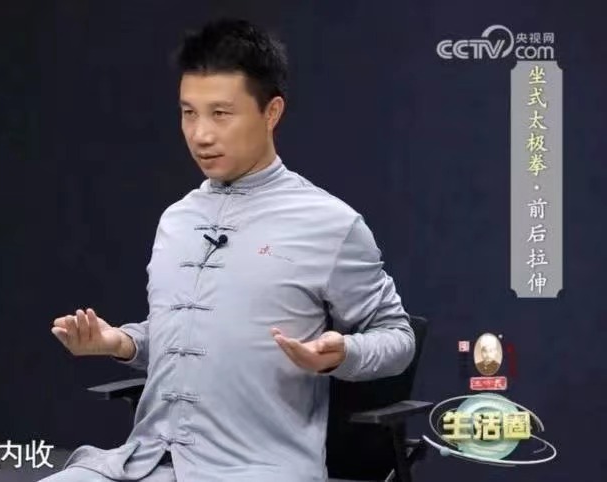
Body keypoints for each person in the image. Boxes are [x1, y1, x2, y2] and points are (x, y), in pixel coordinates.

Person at [44, 18, 415, 482]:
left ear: (271, 112)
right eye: (188, 113)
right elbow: (188, 336)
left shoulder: (330, 223)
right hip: (145, 460)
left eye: (220, 114)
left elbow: (398, 338)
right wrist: (121, 342)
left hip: (256, 468)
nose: (200, 134)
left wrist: (344, 353)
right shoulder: (177, 219)